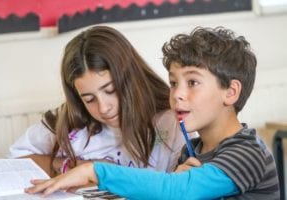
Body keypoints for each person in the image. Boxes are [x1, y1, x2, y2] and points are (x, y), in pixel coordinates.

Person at [25, 26, 280, 199]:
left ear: (231, 92)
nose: (177, 94)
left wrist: (95, 172)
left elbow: (178, 190)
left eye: (192, 82)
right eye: (173, 83)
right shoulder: (190, 152)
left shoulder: (248, 153)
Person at [9, 25, 188, 177]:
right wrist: (75, 167)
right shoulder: (70, 119)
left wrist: (100, 173)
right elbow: (13, 164)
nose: (104, 108)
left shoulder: (170, 121)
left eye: (110, 90)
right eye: (89, 99)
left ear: (131, 79)